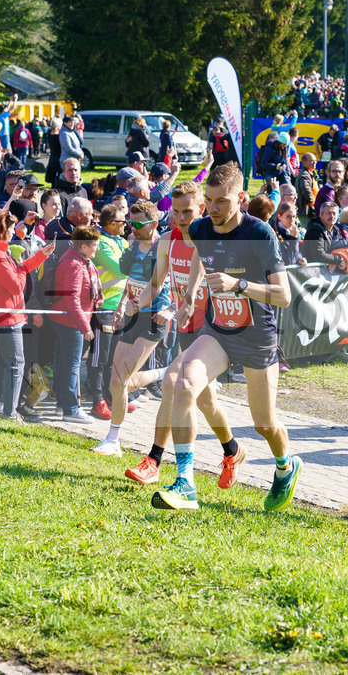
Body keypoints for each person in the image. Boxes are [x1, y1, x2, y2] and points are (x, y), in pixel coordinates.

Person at [155, 164, 302, 512]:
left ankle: (286, 466)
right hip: (218, 330)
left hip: (257, 338)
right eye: (209, 200)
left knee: (264, 424)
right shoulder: (201, 227)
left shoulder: (260, 233)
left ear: (241, 199)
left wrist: (239, 285)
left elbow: (284, 296)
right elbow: (201, 259)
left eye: (222, 201)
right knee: (183, 383)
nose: (214, 208)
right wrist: (191, 293)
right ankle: (185, 483)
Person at [123, 181, 247, 486]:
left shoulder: (215, 241)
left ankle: (154, 460)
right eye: (175, 211)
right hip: (186, 328)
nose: (180, 217)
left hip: (214, 333)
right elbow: (155, 283)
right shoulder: (167, 240)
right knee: (204, 402)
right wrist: (135, 304)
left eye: (187, 211)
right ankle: (232, 450)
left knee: (172, 384)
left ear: (202, 209)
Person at [90, 200, 175, 456]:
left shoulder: (164, 246)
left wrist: (169, 308)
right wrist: (122, 305)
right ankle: (162, 374)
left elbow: (172, 282)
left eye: (138, 224)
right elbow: (132, 278)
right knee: (117, 381)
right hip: (132, 315)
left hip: (154, 318)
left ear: (153, 224)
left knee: (121, 380)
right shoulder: (133, 244)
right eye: (130, 223)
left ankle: (113, 439)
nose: (133, 228)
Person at [0, 210, 55, 421]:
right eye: (12, 228)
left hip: (6, 316)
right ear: (3, 230)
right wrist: (22, 268)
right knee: (16, 365)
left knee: (4, 364)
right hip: (7, 318)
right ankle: (10, 413)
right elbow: (16, 286)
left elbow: (20, 269)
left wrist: (42, 255)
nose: (15, 231)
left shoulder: (1, 252)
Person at [49, 224, 102, 424]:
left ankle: (62, 404)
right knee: (71, 366)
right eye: (95, 245)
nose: (97, 248)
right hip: (70, 322)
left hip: (67, 320)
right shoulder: (74, 264)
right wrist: (85, 327)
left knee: (63, 364)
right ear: (84, 247)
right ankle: (71, 409)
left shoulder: (79, 260)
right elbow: (72, 300)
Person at [89, 204, 130, 419]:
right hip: (103, 307)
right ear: (112, 224)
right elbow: (123, 269)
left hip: (120, 306)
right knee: (99, 357)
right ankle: (96, 399)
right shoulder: (102, 243)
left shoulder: (122, 241)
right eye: (123, 221)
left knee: (115, 357)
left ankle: (110, 396)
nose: (127, 225)